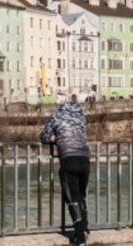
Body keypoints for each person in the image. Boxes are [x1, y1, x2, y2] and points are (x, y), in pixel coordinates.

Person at [40, 94, 90, 246]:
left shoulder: (57, 115)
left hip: (68, 159)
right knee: (80, 196)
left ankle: (80, 239)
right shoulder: (82, 116)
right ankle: (84, 229)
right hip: (84, 159)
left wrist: (53, 138)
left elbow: (44, 137)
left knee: (72, 199)